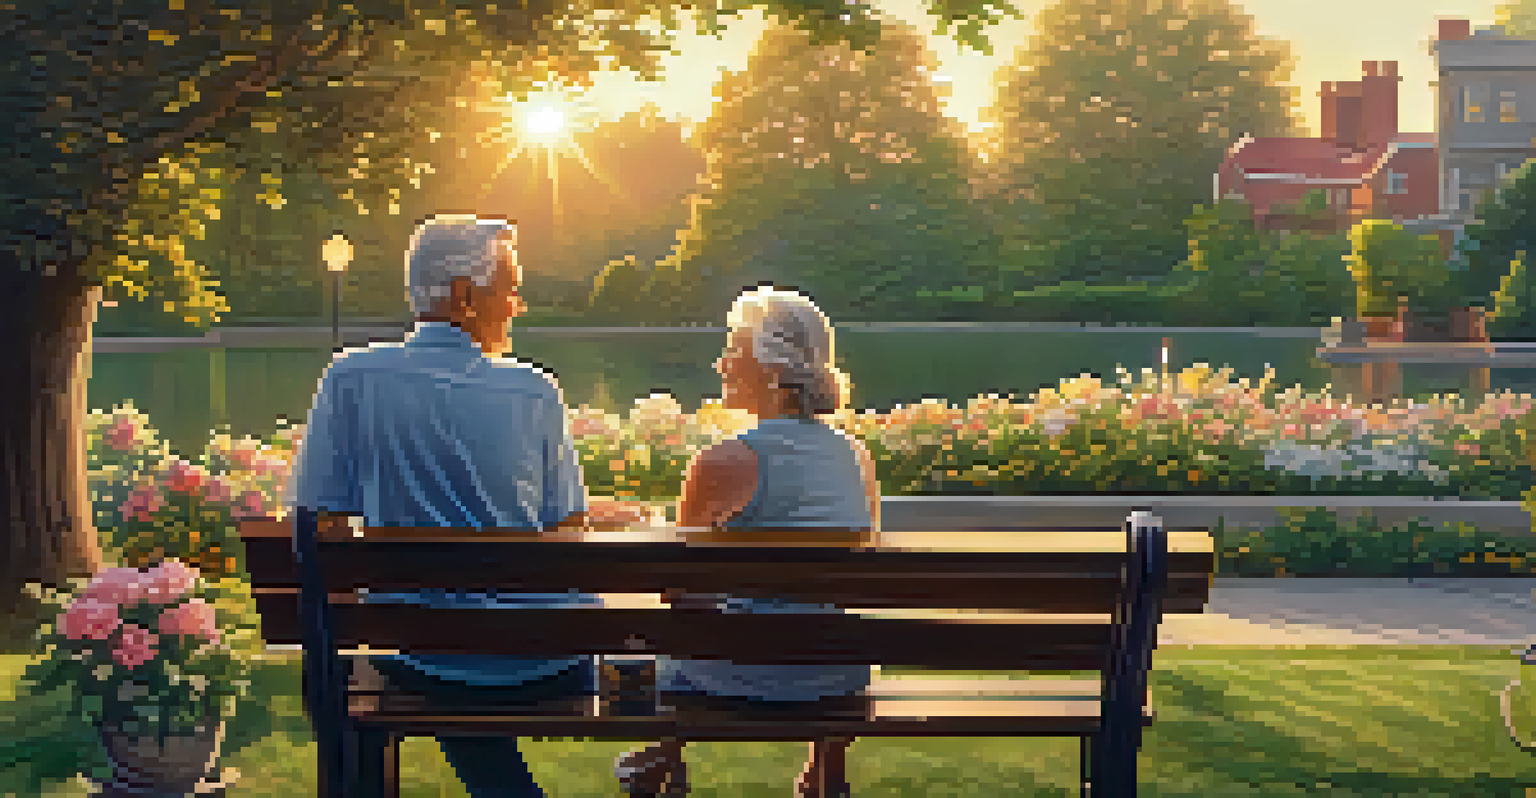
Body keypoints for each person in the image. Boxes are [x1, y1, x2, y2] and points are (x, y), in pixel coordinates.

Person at [292, 213, 648, 798]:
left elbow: (320, 524)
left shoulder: (350, 379)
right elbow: (565, 528)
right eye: (510, 286)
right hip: (543, 662)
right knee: (485, 650)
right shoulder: (533, 390)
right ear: (463, 296)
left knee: (448, 660)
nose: (519, 304)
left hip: (414, 653)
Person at [613, 286, 882, 798]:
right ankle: (826, 768)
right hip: (835, 674)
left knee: (685, 624)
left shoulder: (722, 462)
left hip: (739, 674)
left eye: (733, 351)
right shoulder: (855, 456)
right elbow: (850, 582)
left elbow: (680, 594)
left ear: (774, 371)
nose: (720, 365)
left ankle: (665, 756)